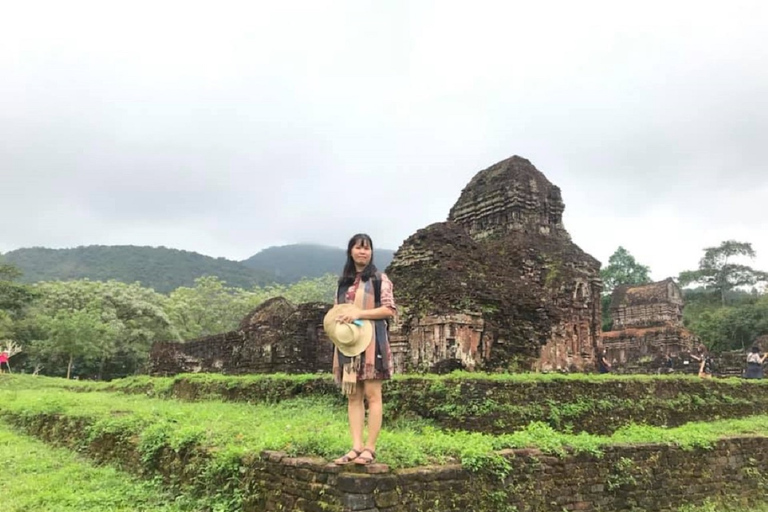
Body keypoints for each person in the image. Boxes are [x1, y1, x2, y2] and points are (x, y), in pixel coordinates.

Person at [324, 234, 396, 466]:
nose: (363, 252)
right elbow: (338, 310)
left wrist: (359, 313)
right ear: (351, 251)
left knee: (373, 395)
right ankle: (355, 446)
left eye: (367, 249)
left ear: (371, 253)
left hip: (373, 339)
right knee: (353, 395)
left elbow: (388, 310)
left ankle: (370, 448)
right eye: (358, 248)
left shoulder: (379, 278)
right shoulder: (343, 283)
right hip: (348, 343)